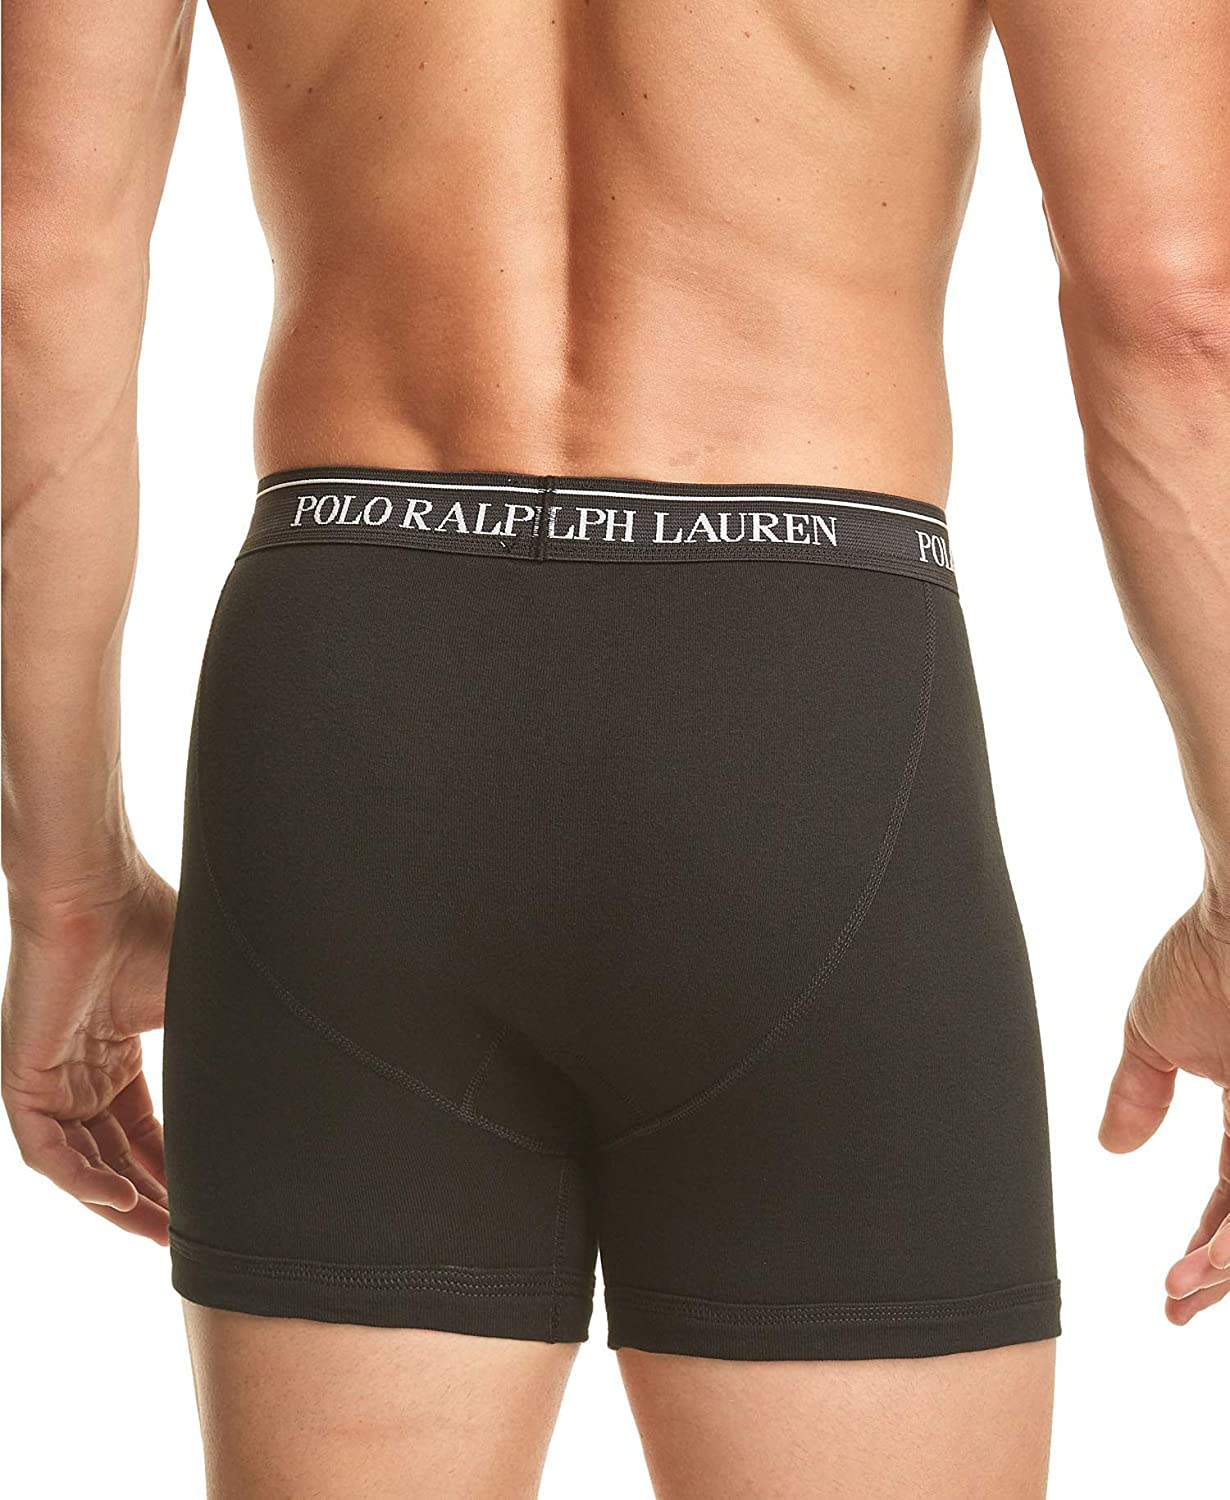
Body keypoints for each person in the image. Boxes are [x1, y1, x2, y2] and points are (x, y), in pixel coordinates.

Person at [2, 0, 1227, 1495]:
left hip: (352, 709)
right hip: (799, 723)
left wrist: (66, 887)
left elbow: (33, 274)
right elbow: (1180, 312)